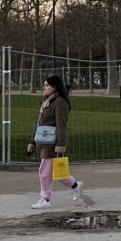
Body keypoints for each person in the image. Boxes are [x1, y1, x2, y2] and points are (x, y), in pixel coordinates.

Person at [26, 73, 81, 209]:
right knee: (57, 174)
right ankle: (76, 185)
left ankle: (45, 199)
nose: (43, 87)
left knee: (44, 172)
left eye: (46, 85)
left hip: (52, 143)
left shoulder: (60, 103)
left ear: (54, 87)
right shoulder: (47, 101)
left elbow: (61, 125)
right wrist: (32, 142)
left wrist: (60, 145)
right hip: (43, 141)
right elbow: (39, 124)